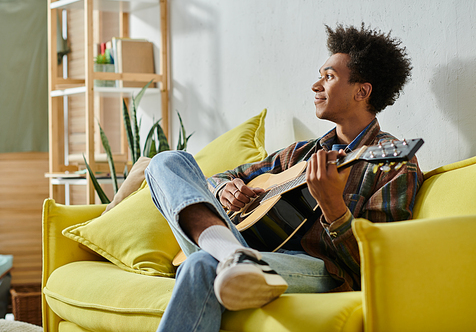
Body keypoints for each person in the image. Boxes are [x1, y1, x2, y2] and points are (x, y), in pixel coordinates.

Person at [145, 23, 423, 332]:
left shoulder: (394, 162)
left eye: (328, 77)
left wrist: (334, 208)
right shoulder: (297, 155)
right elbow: (222, 176)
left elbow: (378, 265)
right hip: (255, 251)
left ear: (362, 91)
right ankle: (232, 253)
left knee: (200, 264)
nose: (316, 85)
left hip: (321, 268)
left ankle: (231, 256)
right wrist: (224, 188)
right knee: (168, 161)